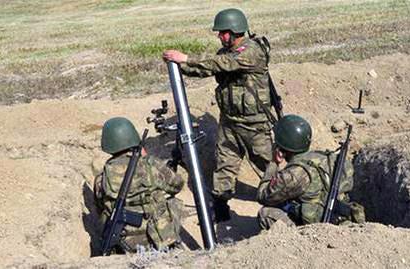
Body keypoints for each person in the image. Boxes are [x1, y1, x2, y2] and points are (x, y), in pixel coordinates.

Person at [162, 8, 274, 222]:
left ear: (235, 31)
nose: (219, 36)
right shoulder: (226, 53)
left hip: (255, 124)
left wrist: (186, 57)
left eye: (222, 32)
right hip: (230, 123)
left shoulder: (252, 51)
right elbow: (207, 69)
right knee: (224, 167)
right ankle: (220, 211)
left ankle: (285, 201)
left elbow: (223, 64)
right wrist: (179, 65)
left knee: (269, 166)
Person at [256, 115, 365, 230]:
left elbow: (263, 196)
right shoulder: (329, 158)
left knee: (265, 213)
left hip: (315, 228)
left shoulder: (294, 175)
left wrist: (274, 162)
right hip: (339, 218)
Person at [94, 117, 184, 252]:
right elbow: (177, 184)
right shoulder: (150, 165)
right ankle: (172, 244)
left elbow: (100, 204)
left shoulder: (103, 177)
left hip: (123, 240)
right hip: (156, 237)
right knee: (171, 201)